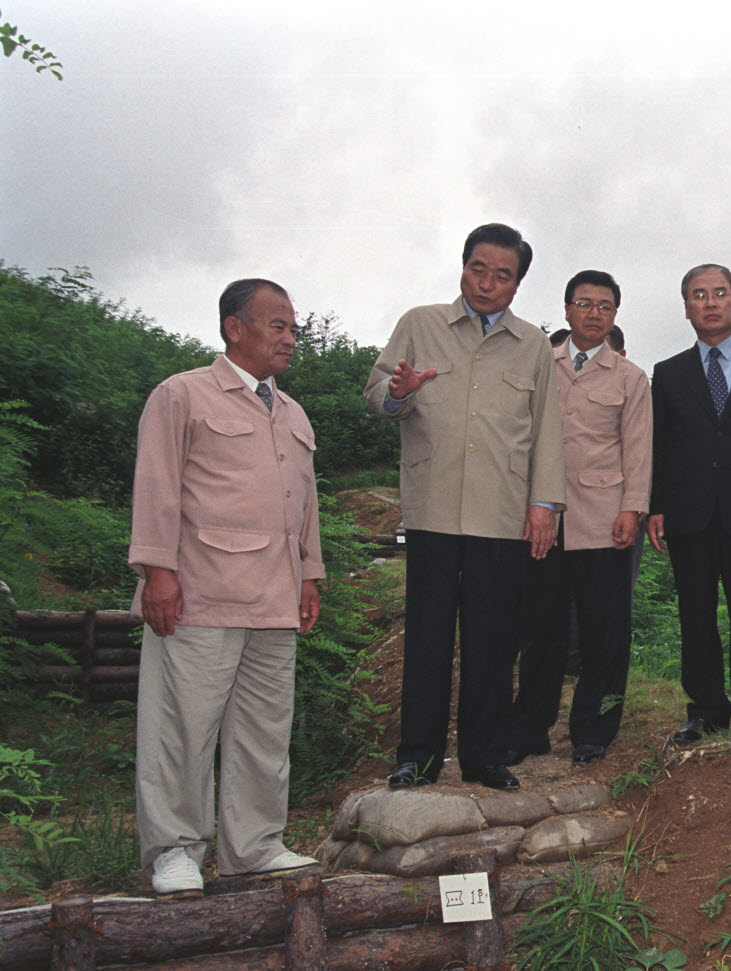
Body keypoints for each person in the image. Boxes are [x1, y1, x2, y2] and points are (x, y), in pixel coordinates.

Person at [130, 279, 323, 896]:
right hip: (199, 593)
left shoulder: (292, 413)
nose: (291, 337)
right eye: (278, 325)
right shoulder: (182, 395)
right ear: (234, 328)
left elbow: (305, 504)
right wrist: (157, 570)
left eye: (294, 327)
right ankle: (175, 850)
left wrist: (309, 574)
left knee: (265, 729)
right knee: (182, 726)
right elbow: (156, 485)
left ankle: (255, 846)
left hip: (274, 595)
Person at [365, 223, 564, 792]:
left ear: (518, 284)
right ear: (462, 266)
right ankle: (418, 756)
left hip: (501, 514)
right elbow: (378, 394)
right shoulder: (419, 324)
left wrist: (544, 503)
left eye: (503, 275)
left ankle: (483, 754)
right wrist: (401, 391)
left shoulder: (532, 345)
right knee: (427, 636)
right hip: (431, 509)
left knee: (493, 639)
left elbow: (547, 428)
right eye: (478, 268)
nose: (487, 283)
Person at [513, 271, 651, 763]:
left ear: (615, 314)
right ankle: (529, 728)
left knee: (604, 630)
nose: (594, 314)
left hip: (604, 517)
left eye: (605, 306)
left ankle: (593, 732)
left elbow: (638, 450)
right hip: (542, 517)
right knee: (541, 628)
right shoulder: (537, 365)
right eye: (584, 304)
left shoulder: (631, 378)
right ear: (567, 309)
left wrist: (633, 509)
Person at [648, 264, 731, 745]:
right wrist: (655, 506)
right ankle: (705, 710)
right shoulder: (668, 373)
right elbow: (658, 445)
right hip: (689, 514)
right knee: (695, 614)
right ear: (686, 308)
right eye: (699, 295)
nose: (710, 302)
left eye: (720, 293)